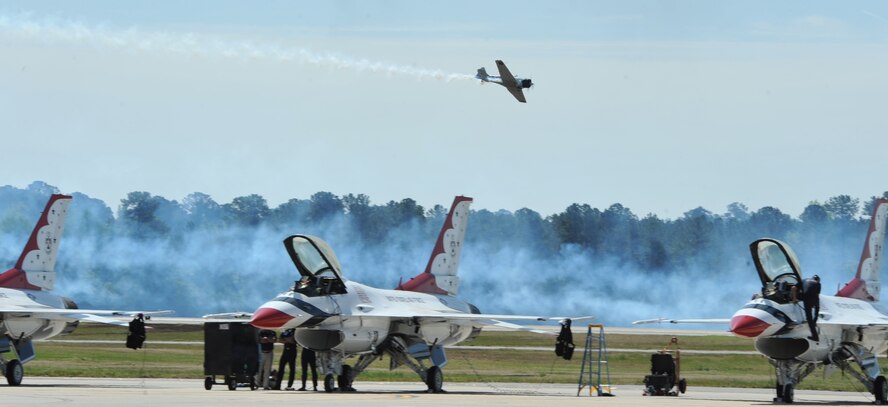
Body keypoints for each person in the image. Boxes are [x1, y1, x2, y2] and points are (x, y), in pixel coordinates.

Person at [801, 275, 821, 341]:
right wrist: (815, 304)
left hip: (806, 298)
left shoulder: (804, 280)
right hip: (812, 299)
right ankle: (815, 335)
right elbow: (817, 295)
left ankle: (813, 324)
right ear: (818, 280)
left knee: (809, 318)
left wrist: (794, 299)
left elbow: (793, 288)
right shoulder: (818, 284)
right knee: (813, 316)